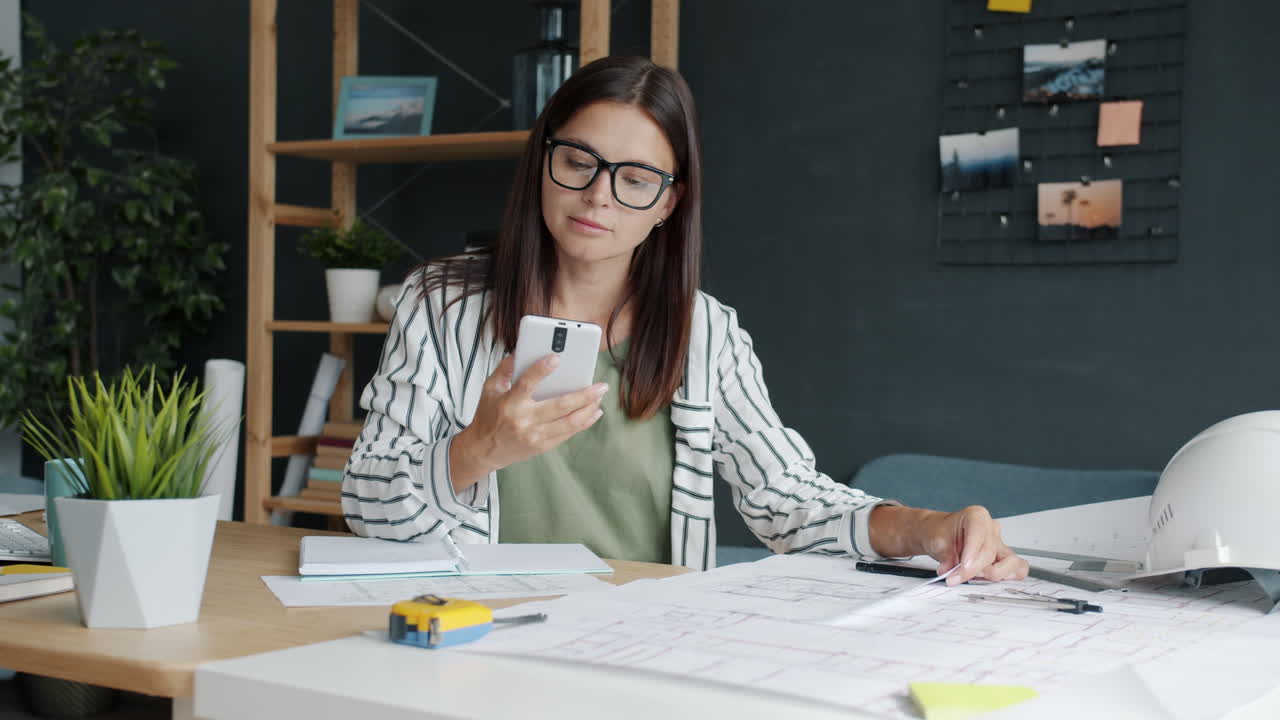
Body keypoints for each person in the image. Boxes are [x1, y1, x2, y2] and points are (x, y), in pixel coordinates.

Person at [342, 56, 1029, 585]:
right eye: (577, 162)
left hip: (646, 639)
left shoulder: (705, 333)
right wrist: (474, 452)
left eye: (636, 179)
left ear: (669, 203)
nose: (598, 195)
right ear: (542, 162)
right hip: (478, 629)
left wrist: (930, 527)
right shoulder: (439, 304)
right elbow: (366, 504)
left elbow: (788, 501)